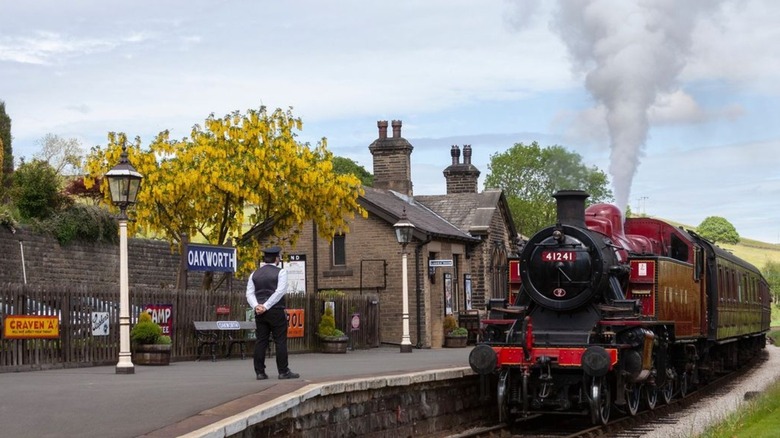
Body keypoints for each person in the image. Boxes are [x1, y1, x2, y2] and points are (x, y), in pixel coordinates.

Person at [246, 246, 300, 380]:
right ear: (277, 259)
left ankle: (260, 372)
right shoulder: (281, 273)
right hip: (275, 310)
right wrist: (266, 306)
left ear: (264, 259)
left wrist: (257, 306)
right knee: (280, 340)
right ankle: (283, 371)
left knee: (261, 341)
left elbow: (249, 293)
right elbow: (279, 292)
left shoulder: (254, 274)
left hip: (260, 312)